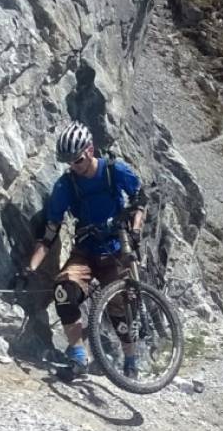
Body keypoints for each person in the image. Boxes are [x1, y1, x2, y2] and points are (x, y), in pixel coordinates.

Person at [19, 121, 148, 379]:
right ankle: (78, 356)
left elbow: (139, 200)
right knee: (63, 290)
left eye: (77, 160)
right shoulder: (65, 186)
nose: (73, 166)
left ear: (90, 150)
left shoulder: (114, 170)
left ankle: (131, 360)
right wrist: (29, 268)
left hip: (116, 248)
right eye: (68, 162)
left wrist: (135, 231)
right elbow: (50, 231)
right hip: (86, 250)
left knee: (121, 305)